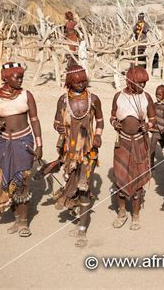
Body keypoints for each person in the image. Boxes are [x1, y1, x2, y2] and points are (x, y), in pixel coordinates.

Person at [0, 62, 43, 237]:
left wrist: (39, 144)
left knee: (22, 181)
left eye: (21, 77)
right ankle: (16, 218)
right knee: (6, 180)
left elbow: (34, 119)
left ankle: (23, 223)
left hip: (23, 142)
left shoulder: (26, 95)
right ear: (6, 77)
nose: (20, 80)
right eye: (16, 77)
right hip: (3, 144)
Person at [51, 65, 103, 247]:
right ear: (70, 82)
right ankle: (77, 215)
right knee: (72, 185)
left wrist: (97, 136)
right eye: (77, 82)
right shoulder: (63, 101)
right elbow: (56, 122)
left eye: (83, 81)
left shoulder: (93, 99)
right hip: (69, 153)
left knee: (84, 187)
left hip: (89, 151)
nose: (81, 84)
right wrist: (58, 127)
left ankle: (82, 229)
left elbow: (100, 121)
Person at [111, 66, 155, 231]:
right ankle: (122, 212)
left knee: (137, 183)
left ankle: (135, 216)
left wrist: (148, 125)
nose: (142, 86)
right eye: (139, 82)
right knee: (120, 179)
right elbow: (112, 115)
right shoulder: (119, 96)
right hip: (122, 142)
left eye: (144, 83)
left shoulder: (146, 97)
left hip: (139, 142)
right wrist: (115, 123)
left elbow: (153, 118)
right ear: (130, 81)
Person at [149, 84, 164, 166]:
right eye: (156, 94)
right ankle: (151, 164)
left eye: (159, 95)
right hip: (156, 131)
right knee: (152, 148)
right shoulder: (154, 105)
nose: (157, 96)